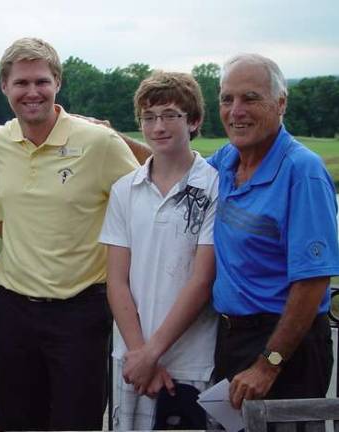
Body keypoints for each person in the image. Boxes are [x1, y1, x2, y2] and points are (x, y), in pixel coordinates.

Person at [0, 37, 139, 431]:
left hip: (79, 312)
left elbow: (150, 197)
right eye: (21, 83)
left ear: (57, 83)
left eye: (41, 81)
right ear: (5, 87)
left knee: (76, 423)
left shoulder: (99, 142)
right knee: (18, 423)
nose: (31, 92)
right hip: (13, 312)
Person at [209, 53, 339, 409]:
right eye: (227, 99)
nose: (236, 110)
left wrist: (269, 365)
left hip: (284, 347)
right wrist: (106, 135)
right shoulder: (227, 159)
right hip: (233, 337)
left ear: (281, 103)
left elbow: (313, 282)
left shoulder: (303, 172)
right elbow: (171, 171)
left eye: (250, 98)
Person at [99, 71, 218, 431]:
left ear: (194, 120)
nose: (158, 126)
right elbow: (116, 280)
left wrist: (153, 354)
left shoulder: (214, 186)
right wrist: (140, 355)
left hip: (191, 360)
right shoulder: (125, 190)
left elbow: (202, 279)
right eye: (148, 118)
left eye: (170, 115)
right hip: (131, 360)